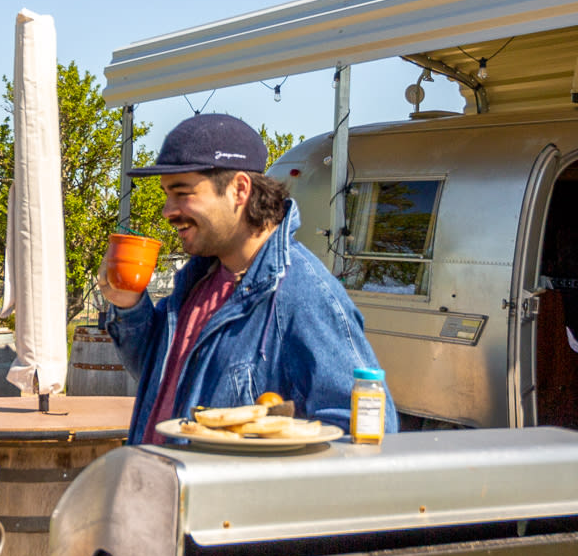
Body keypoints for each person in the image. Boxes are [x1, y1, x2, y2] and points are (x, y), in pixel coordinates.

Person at [100, 112, 392, 442]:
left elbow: (363, 429)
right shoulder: (198, 279)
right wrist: (128, 306)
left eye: (182, 193)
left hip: (224, 494)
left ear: (240, 190)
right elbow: (163, 380)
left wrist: (263, 470)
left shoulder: (302, 294)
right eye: (167, 194)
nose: (167, 210)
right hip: (164, 487)